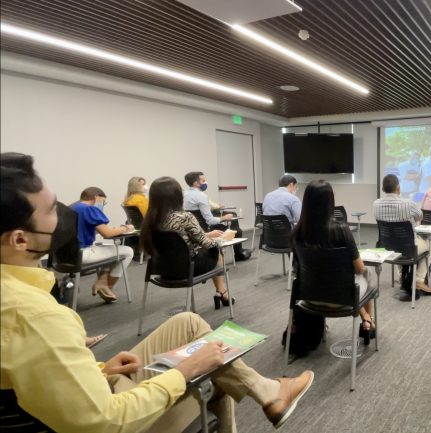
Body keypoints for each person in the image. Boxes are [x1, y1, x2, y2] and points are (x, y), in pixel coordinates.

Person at [0, 152, 314, 432]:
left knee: (189, 323)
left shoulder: (151, 220)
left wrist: (99, 368)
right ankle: (265, 391)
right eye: (52, 210)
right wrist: (187, 371)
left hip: (158, 278)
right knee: (212, 377)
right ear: (19, 240)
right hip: (107, 417)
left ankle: (268, 391)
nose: (64, 215)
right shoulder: (35, 316)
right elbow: (103, 422)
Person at [291, 180, 377, 344]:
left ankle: (366, 318)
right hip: (341, 300)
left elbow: (298, 270)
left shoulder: (296, 233)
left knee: (331, 278)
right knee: (367, 273)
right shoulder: (341, 230)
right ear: (330, 203)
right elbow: (359, 269)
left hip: (308, 299)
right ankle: (368, 322)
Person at [142, 177, 235, 308]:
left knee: (210, 250)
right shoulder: (185, 217)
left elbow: (177, 239)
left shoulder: (149, 221)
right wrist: (219, 241)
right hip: (186, 269)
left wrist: (205, 236)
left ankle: (221, 292)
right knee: (216, 251)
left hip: (162, 270)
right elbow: (207, 244)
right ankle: (222, 292)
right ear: (177, 195)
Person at [373, 174, 431, 301]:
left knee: (397, 245)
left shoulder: (376, 204)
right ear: (398, 187)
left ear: (383, 189)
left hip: (387, 248)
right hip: (408, 247)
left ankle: (401, 276)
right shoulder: (409, 204)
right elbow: (420, 217)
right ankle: (418, 280)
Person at [70, 187, 135, 303]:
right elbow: (108, 233)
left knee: (110, 250)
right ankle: (107, 287)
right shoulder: (89, 209)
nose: (103, 205)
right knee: (128, 251)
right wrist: (125, 228)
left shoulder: (72, 207)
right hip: (82, 254)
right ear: (96, 197)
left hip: (66, 255)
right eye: (103, 202)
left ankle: (102, 280)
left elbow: (82, 229)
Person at [183, 171, 250, 261]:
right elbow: (209, 220)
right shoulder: (201, 196)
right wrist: (224, 218)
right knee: (236, 230)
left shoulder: (183, 194)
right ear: (196, 183)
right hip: (205, 229)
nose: (205, 183)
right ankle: (238, 254)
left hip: (190, 229)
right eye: (203, 181)